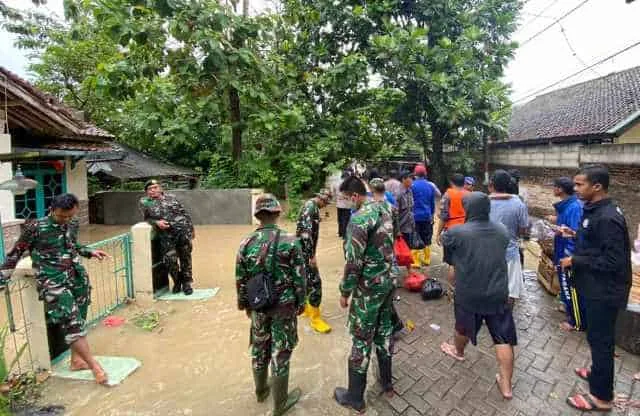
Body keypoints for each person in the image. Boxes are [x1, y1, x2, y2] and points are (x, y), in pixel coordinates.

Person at [0, 194, 110, 384]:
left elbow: (72, 245)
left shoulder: (71, 223)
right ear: (52, 210)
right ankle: (95, 367)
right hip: (53, 282)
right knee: (72, 323)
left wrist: (89, 251)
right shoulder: (34, 227)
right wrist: (2, 279)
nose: (66, 220)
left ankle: (76, 360)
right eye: (61, 216)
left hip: (76, 277)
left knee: (80, 318)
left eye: (70, 216)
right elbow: (14, 254)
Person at [561, 165, 632, 412]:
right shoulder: (594, 210)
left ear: (597, 186)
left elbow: (614, 261)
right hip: (593, 287)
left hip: (605, 291)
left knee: (602, 342)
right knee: (595, 337)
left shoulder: (608, 217)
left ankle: (601, 397)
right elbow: (596, 244)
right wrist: (573, 235)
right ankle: (596, 372)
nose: (575, 188)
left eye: (580, 184)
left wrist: (576, 260)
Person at [440, 192, 516, 400]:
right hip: (498, 292)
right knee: (502, 338)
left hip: (469, 293)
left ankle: (458, 352)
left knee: (463, 326)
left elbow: (451, 258)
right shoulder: (502, 230)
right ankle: (507, 386)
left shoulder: (456, 233)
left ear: (467, 209)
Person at [235, 194, 306, 416]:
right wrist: (301, 302)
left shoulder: (245, 243)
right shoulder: (291, 241)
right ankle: (279, 405)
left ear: (258, 216)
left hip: (258, 306)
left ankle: (261, 391)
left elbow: (240, 279)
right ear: (277, 213)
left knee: (259, 348)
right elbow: (300, 278)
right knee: (281, 352)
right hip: (283, 308)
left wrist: (244, 305)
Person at [335, 176, 395, 412]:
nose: (347, 203)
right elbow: (392, 241)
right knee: (384, 331)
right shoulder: (388, 208)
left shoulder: (358, 220)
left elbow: (353, 263)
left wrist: (344, 292)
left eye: (346, 199)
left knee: (361, 338)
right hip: (388, 282)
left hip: (368, 288)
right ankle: (387, 382)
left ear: (354, 196)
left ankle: (355, 397)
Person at [139, 179, 195, 295]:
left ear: (160, 188)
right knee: (170, 260)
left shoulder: (172, 198)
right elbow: (147, 218)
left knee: (185, 258)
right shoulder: (145, 202)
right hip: (166, 235)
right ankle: (177, 281)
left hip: (182, 231)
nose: (153, 190)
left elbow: (184, 213)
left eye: (155, 187)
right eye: (150, 189)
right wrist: (156, 223)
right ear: (146, 192)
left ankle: (187, 283)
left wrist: (191, 230)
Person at [545, 177, 585, 332]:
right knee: (566, 286)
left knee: (569, 287)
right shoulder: (567, 206)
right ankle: (570, 311)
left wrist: (568, 256)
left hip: (567, 255)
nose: (553, 189)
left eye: (554, 186)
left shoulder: (574, 207)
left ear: (560, 189)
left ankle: (575, 321)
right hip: (562, 251)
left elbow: (574, 234)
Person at [370, 178, 404, 339]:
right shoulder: (392, 208)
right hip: (390, 257)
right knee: (388, 291)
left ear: (371, 191)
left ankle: (390, 326)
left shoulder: (368, 210)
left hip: (374, 258)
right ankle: (393, 324)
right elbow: (397, 233)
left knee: (378, 295)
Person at [488, 170, 528, 302]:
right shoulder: (518, 204)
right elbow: (523, 230)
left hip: (486, 252)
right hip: (509, 252)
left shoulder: (484, 202)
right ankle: (505, 319)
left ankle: (488, 315)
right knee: (511, 291)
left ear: (491, 184)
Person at [296, 190, 332, 333]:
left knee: (305, 279)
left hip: (300, 251)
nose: (325, 206)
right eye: (326, 203)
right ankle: (315, 319)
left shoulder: (310, 206)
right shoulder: (311, 209)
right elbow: (306, 234)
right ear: (321, 200)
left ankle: (305, 309)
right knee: (316, 283)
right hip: (305, 252)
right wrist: (311, 256)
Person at [412, 164, 436, 266]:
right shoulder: (430, 186)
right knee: (427, 237)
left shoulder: (412, 186)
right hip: (427, 215)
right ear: (425, 174)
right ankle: (427, 259)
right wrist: (432, 215)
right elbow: (432, 203)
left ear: (415, 174)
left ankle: (416, 261)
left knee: (415, 237)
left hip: (415, 216)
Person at [435, 174, 468, 247]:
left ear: (451, 183)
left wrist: (438, 234)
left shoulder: (448, 195)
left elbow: (443, 217)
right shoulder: (470, 195)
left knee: (449, 255)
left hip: (451, 230)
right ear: (464, 183)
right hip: (466, 230)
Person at [396, 171, 420, 267]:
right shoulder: (399, 194)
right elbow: (395, 213)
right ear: (403, 180)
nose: (412, 180)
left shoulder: (410, 191)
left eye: (412, 178)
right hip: (401, 227)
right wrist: (397, 230)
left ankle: (409, 270)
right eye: (409, 178)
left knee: (408, 249)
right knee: (400, 250)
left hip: (410, 225)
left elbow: (411, 209)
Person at [334, 170, 353, 238]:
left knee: (340, 219)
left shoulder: (336, 184)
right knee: (346, 219)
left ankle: (340, 233)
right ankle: (345, 234)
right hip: (347, 205)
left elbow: (334, 193)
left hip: (339, 204)